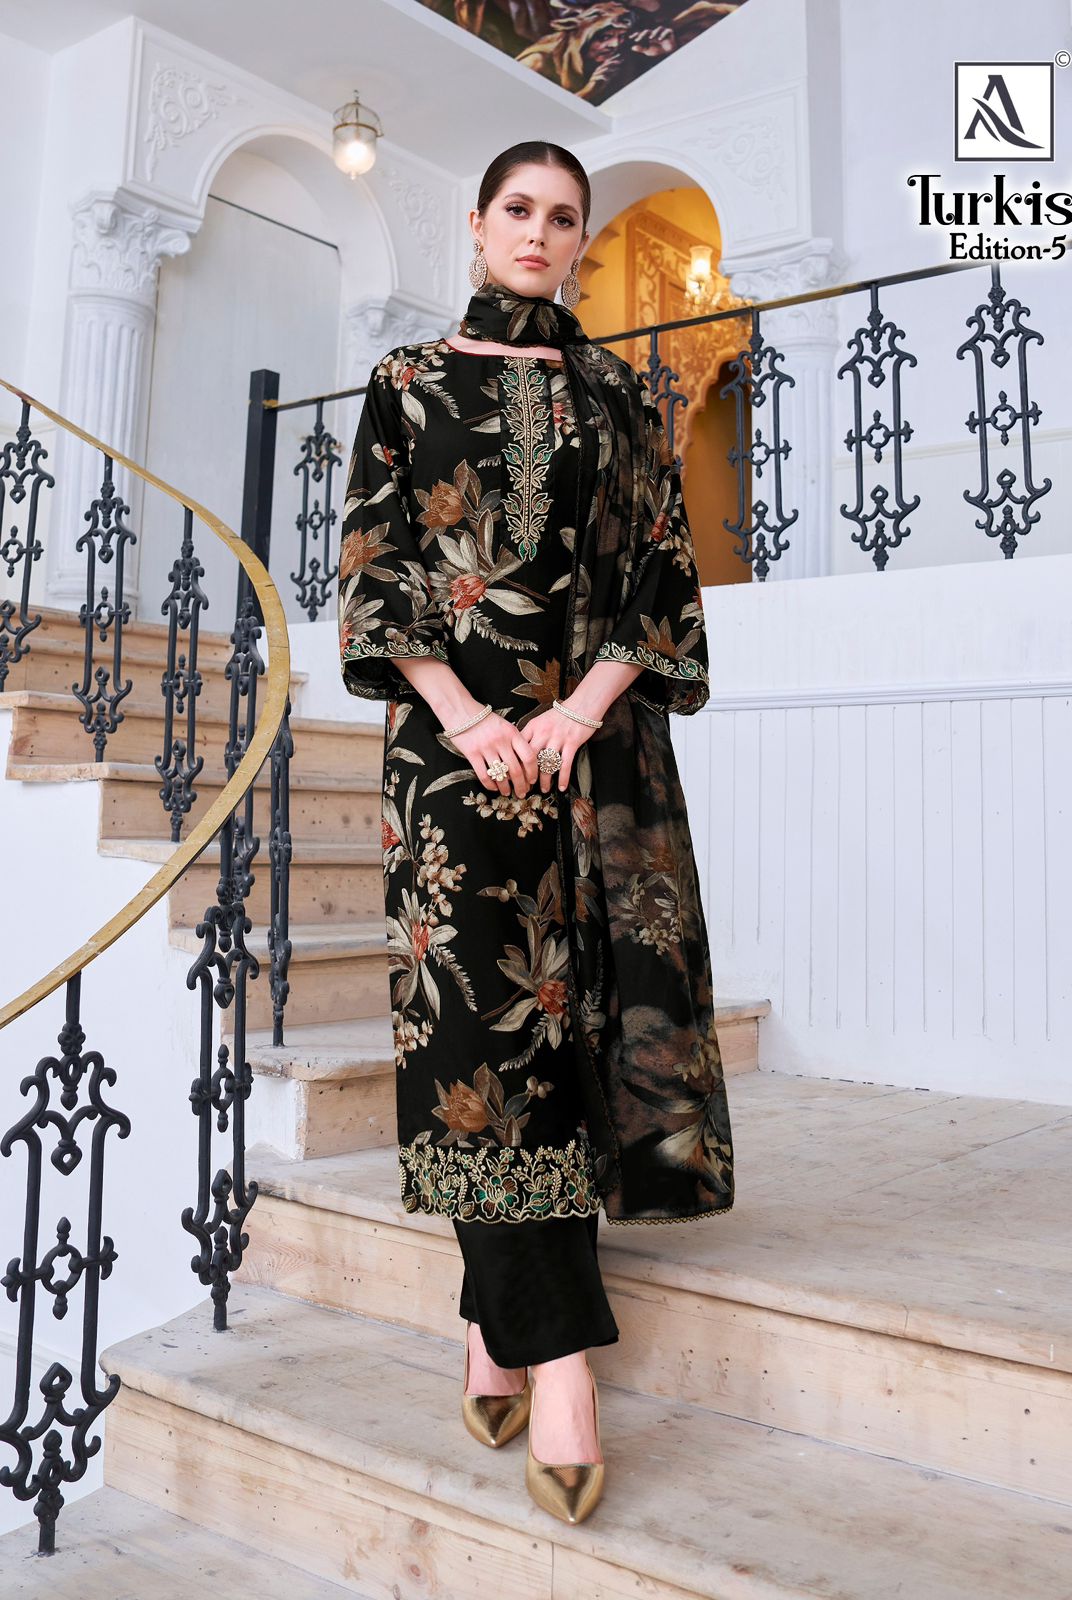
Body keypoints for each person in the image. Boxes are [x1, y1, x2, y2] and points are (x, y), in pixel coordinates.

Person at [338, 139, 735, 1526]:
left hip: (586, 755)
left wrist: (573, 717)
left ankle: (496, 1325)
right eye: (519, 209)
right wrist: (466, 718)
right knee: (477, 1052)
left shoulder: (619, 394)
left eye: (566, 218)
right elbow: (378, 568)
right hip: (451, 762)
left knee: (565, 1044)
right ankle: (563, 1366)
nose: (540, 233)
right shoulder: (404, 384)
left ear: (579, 242)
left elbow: (659, 574)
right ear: (476, 222)